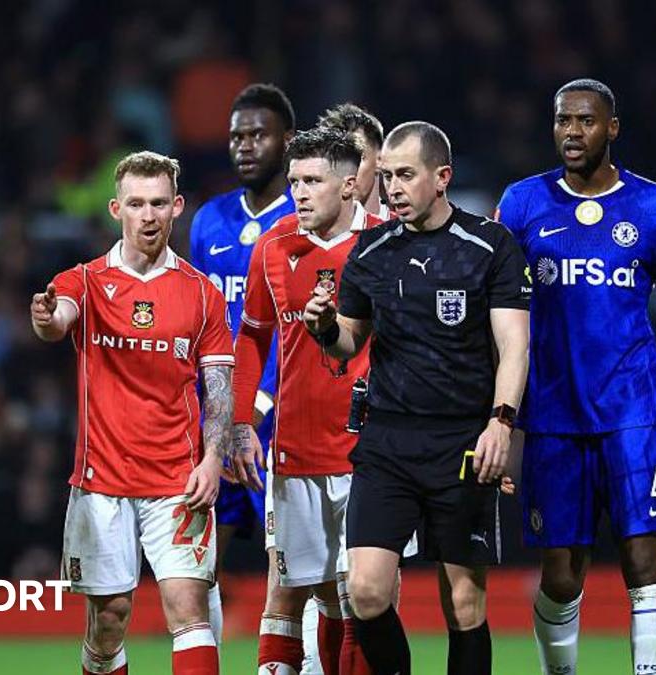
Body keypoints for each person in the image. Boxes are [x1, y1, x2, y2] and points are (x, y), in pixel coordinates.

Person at [494, 78, 656, 675]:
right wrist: (500, 420)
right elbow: (498, 319)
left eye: (586, 121)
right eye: (563, 120)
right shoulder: (521, 205)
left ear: (612, 128)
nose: (572, 131)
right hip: (553, 417)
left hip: (633, 415)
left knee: (645, 561)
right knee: (561, 577)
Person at [304, 121, 531, 675]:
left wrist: (501, 423)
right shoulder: (372, 250)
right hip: (387, 441)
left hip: (462, 443)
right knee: (366, 591)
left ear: (442, 177)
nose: (393, 188)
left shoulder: (489, 246)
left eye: (405, 175)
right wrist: (327, 328)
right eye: (385, 177)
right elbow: (348, 343)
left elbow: (514, 344)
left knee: (464, 602)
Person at [32, 151, 233, 675]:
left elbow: (219, 388)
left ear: (177, 207)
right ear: (116, 208)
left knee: (189, 612)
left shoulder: (202, 294)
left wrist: (213, 460)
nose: (149, 215)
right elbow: (59, 320)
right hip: (102, 483)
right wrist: (49, 318)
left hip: (178, 481)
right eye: (138, 204)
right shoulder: (85, 281)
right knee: (109, 622)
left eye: (160, 204)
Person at [233, 127, 380, 675]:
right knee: (308, 589)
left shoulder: (385, 243)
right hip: (294, 447)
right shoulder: (273, 246)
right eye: (294, 181)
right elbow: (252, 335)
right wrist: (242, 421)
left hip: (370, 450)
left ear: (348, 187)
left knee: (360, 594)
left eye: (312, 181)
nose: (299, 192)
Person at [188, 82, 296, 649]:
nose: (245, 146)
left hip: (276, 421)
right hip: (214, 422)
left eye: (258, 134)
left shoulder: (304, 218)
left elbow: (292, 326)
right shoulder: (209, 221)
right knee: (198, 564)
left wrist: (253, 408)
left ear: (289, 141)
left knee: (290, 567)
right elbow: (200, 321)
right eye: (237, 136)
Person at [317, 103, 388, 219]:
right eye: (335, 162)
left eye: (357, 158)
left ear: (380, 160)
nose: (345, 174)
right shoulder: (302, 231)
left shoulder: (405, 231)